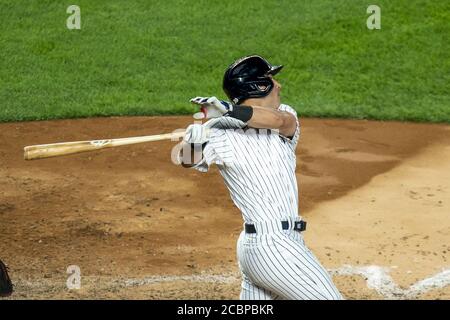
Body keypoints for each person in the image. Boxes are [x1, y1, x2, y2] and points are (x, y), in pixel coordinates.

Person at [178, 55, 342, 300]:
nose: (279, 85)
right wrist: (193, 141)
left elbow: (277, 121)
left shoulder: (283, 116)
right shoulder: (218, 131)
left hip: (269, 247)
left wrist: (230, 110)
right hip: (273, 248)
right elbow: (186, 160)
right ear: (258, 86)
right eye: (271, 79)